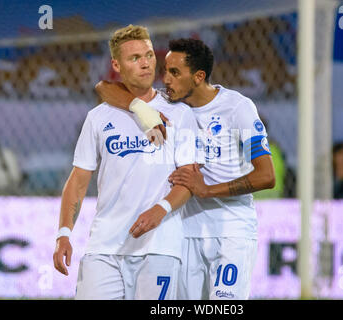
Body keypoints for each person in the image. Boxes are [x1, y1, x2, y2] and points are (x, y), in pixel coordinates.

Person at [95, 38, 276, 300]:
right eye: (165, 71)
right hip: (184, 231)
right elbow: (104, 87)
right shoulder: (168, 105)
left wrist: (206, 190)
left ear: (199, 76)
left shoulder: (237, 108)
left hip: (231, 232)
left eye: (175, 73)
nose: (166, 79)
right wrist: (138, 108)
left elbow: (266, 175)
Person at [52, 25, 202, 300]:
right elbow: (78, 181)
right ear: (116, 65)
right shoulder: (98, 117)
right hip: (104, 247)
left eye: (148, 55)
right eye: (135, 58)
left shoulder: (179, 114)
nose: (145, 63)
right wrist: (64, 233)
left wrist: (160, 209)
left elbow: (190, 179)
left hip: (159, 246)